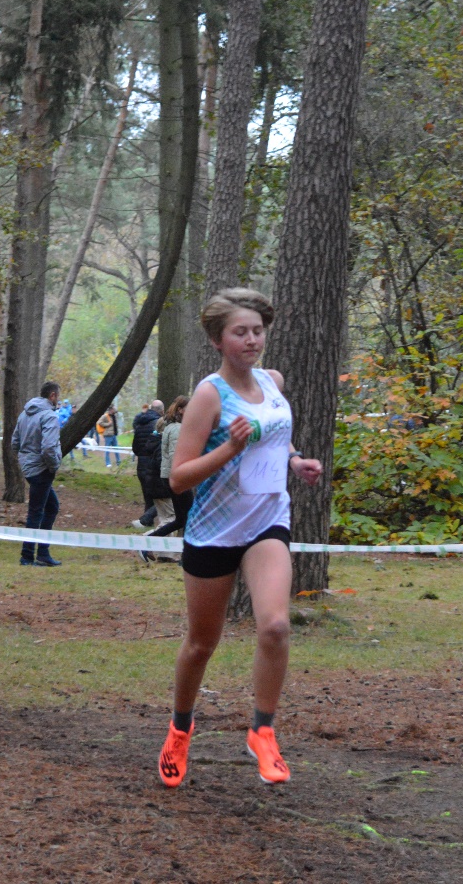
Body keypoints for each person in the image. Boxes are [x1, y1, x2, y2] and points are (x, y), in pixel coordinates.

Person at [157, 288, 323, 789]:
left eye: (257, 330)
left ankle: (263, 731)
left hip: (267, 520)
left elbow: (275, 434)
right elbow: (179, 478)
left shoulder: (273, 382)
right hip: (213, 533)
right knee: (201, 644)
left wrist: (296, 460)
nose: (253, 340)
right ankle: (180, 728)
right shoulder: (209, 395)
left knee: (274, 626)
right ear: (217, 340)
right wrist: (229, 448)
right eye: (240, 332)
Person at [11, 382, 64, 567]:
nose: (59, 399)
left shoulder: (25, 413)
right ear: (52, 396)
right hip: (42, 469)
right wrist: (54, 465)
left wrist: (26, 460)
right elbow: (49, 447)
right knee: (36, 512)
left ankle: (42, 553)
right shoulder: (49, 416)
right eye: (58, 395)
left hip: (29, 468)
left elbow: (14, 442)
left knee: (52, 507)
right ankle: (27, 556)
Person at [139, 395, 190, 564]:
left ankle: (148, 542)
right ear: (181, 409)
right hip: (176, 478)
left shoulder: (173, 426)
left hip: (172, 477)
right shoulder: (176, 429)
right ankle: (187, 557)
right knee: (189, 518)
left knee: (181, 520)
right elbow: (177, 456)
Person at [131, 399, 165, 529]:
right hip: (154, 465)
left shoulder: (140, 424)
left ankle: (146, 522)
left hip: (141, 465)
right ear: (162, 411)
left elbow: (135, 448)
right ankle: (148, 519)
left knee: (148, 496)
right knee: (163, 496)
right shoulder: (160, 424)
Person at [99, 404, 120, 468]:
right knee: (107, 450)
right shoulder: (105, 416)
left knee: (116, 449)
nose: (114, 409)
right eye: (113, 408)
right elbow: (99, 422)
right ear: (110, 409)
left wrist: (113, 406)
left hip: (114, 435)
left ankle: (118, 462)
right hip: (108, 435)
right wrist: (108, 424)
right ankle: (108, 463)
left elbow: (117, 410)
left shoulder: (114, 415)